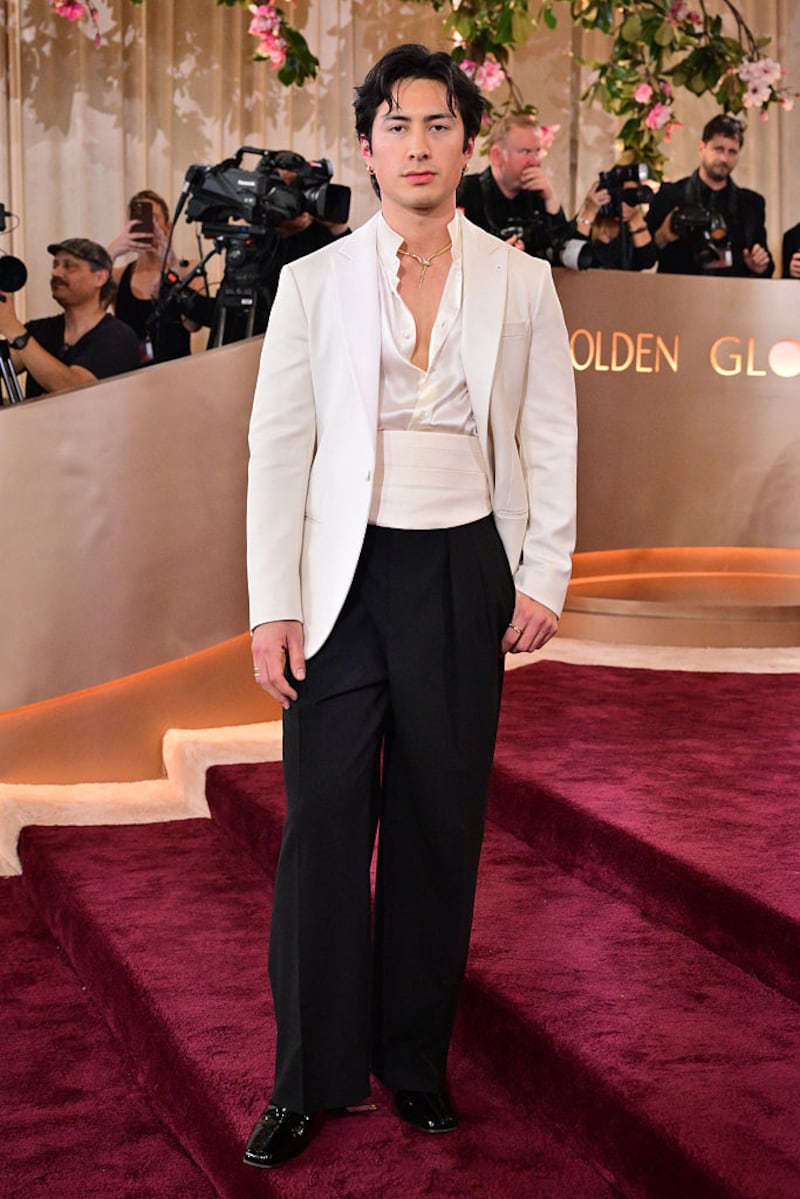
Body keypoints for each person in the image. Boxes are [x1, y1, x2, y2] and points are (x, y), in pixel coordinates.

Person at [243, 43, 577, 1169]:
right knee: (323, 825)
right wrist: (271, 602)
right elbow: (277, 448)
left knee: (439, 826)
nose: (418, 145)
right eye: (397, 126)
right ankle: (308, 1076)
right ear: (367, 145)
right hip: (339, 584)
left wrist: (542, 570)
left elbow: (546, 434)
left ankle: (415, 1063)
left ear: (465, 144)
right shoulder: (312, 283)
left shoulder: (520, 281)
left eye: (438, 125)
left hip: (460, 573)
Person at [0, 237, 140, 399]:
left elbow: (75, 388)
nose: (56, 273)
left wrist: (15, 330)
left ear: (100, 278)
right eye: (55, 265)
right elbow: (7, 364)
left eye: (69, 266)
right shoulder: (39, 331)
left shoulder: (118, 337)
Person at [646, 114, 774, 277]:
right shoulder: (669, 195)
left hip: (734, 297)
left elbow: (766, 265)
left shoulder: (751, 204)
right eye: (718, 149)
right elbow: (642, 258)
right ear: (701, 148)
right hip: (677, 296)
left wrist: (759, 266)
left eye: (732, 152)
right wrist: (662, 236)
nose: (724, 158)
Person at [108, 190, 200, 363]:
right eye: (138, 219)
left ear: (168, 227)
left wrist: (173, 264)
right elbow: (89, 308)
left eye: (153, 218)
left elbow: (193, 325)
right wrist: (112, 252)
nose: (147, 226)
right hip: (129, 377)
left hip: (177, 374)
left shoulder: (188, 269)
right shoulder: (119, 276)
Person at [456, 113, 567, 255]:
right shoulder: (464, 192)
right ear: (497, 155)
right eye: (526, 152)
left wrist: (550, 198)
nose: (535, 161)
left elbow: (563, 250)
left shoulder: (538, 194)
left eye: (537, 151)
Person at [570, 177, 657, 271]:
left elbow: (647, 261)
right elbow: (571, 254)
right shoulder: (587, 225)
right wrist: (589, 212)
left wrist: (635, 220)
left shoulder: (630, 231)